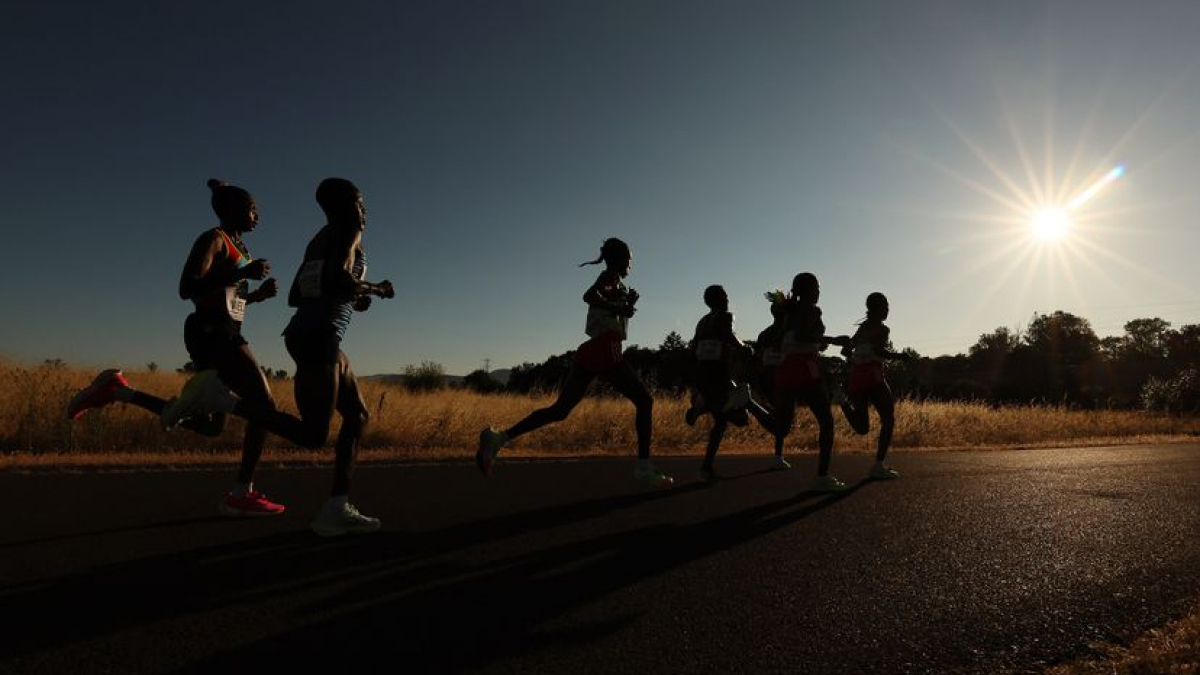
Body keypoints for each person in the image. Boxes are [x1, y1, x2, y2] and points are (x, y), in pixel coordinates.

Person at [158, 177, 396, 537]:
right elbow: (339, 279)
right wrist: (376, 288)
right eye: (360, 203)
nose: (364, 211)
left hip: (312, 332)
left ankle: (335, 506)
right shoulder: (347, 231)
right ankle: (222, 403)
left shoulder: (318, 240)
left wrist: (348, 296)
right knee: (313, 435)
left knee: (357, 416)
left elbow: (298, 295)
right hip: (314, 335)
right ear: (344, 206)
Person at [68, 179, 287, 517]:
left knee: (211, 427)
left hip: (220, 329)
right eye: (252, 208)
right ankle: (241, 493)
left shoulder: (239, 248)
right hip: (213, 335)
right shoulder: (214, 239)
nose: (257, 215)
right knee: (264, 405)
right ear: (231, 210)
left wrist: (255, 295)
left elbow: (226, 298)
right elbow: (188, 288)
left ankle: (119, 392)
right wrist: (245, 272)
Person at [477, 238, 673, 488]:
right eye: (629, 260)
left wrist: (628, 305)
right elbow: (589, 296)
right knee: (645, 401)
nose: (631, 265)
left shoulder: (616, 281)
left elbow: (612, 310)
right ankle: (644, 467)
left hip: (591, 351)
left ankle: (498, 439)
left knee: (560, 410)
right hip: (605, 348)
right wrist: (620, 306)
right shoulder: (610, 275)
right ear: (619, 259)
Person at [684, 285, 775, 483]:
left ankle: (706, 468)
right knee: (741, 418)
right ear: (719, 299)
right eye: (724, 296)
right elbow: (729, 335)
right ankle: (702, 407)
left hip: (704, 375)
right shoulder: (726, 316)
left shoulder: (702, 322)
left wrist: (695, 377)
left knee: (721, 423)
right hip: (719, 376)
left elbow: (693, 349)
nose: (727, 299)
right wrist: (745, 348)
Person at [768, 273, 849, 492]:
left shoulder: (788, 311)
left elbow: (791, 337)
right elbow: (803, 337)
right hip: (804, 368)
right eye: (817, 287)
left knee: (781, 426)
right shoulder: (812, 310)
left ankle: (749, 403)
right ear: (809, 290)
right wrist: (832, 340)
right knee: (826, 422)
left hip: (786, 367)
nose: (819, 292)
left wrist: (819, 343)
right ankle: (822, 477)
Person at [839, 292, 910, 479]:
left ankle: (842, 402)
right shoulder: (882, 329)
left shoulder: (862, 328)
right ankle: (878, 465)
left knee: (862, 427)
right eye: (886, 306)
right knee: (888, 419)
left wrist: (855, 353)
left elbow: (845, 350)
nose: (888, 309)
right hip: (874, 376)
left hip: (857, 376)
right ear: (878, 308)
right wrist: (900, 357)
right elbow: (880, 350)